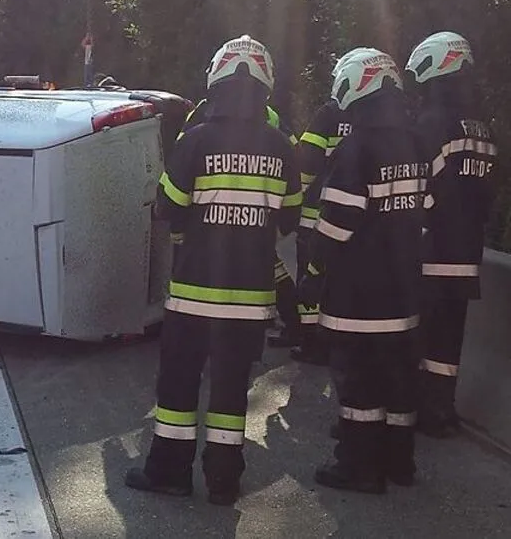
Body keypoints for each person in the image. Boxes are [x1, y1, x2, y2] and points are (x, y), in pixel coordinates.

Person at [124, 35, 301, 505]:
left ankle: (169, 471)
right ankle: (224, 480)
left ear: (215, 81)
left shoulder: (196, 140)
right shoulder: (282, 147)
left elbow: (167, 207)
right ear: (266, 85)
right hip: (251, 299)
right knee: (230, 391)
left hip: (194, 295)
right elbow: (290, 218)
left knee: (178, 385)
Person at [308, 48, 427, 494]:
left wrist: (314, 268)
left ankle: (359, 467)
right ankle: (399, 462)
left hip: (358, 295)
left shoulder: (356, 147)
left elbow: (337, 224)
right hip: (404, 291)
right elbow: (426, 211)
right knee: (398, 379)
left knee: (357, 382)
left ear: (356, 84)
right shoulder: (415, 142)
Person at [406, 32, 498, 438]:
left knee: (416, 334)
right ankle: (441, 410)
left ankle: (406, 409)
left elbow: (420, 188)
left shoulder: (432, 123)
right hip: (467, 251)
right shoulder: (482, 129)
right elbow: (488, 192)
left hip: (430, 250)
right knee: (447, 340)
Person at [178, 92, 301, 356]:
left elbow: (181, 156)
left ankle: (207, 332)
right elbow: (293, 150)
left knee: (204, 273)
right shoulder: (269, 114)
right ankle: (291, 323)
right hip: (258, 212)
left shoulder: (202, 112)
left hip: (214, 208)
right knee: (271, 268)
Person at [287, 50, 370, 365]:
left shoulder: (327, 115)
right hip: (356, 219)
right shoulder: (369, 120)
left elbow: (307, 164)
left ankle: (311, 342)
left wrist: (292, 199)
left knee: (310, 276)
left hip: (316, 216)